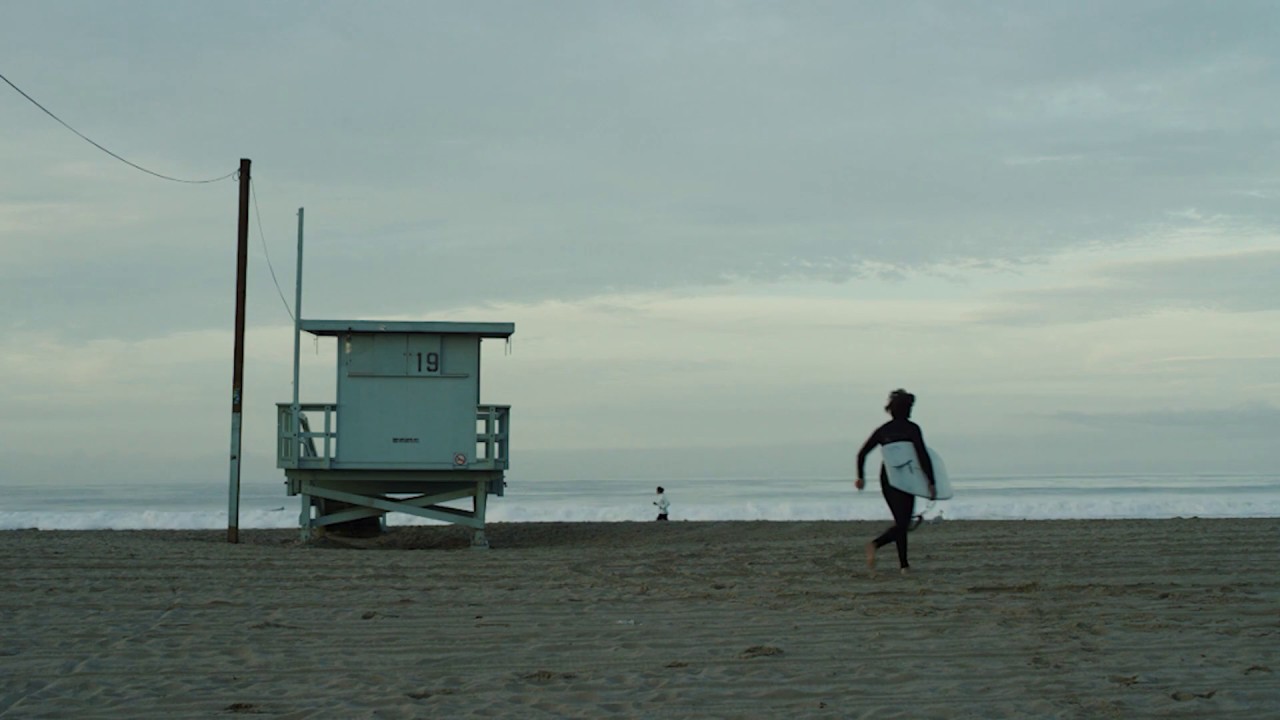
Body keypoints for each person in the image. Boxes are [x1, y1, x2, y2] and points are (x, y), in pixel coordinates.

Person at [855, 389, 935, 575]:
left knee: (901, 521)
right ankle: (876, 545)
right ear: (907, 409)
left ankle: (904, 565)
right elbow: (922, 455)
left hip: (888, 477)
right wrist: (931, 481)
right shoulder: (912, 428)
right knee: (903, 522)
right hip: (907, 477)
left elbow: (862, 454)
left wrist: (861, 477)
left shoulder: (883, 430)